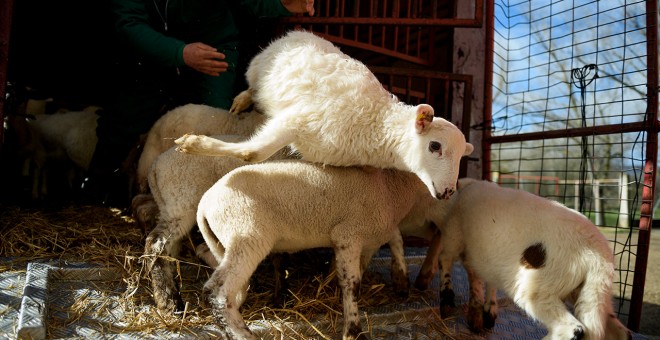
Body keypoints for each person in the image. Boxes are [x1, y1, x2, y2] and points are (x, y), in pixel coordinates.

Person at [83, 0, 314, 205]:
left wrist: (281, 3)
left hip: (211, 49)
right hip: (149, 55)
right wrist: (180, 53)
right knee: (125, 118)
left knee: (216, 123)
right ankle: (95, 193)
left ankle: (213, 204)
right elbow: (128, 24)